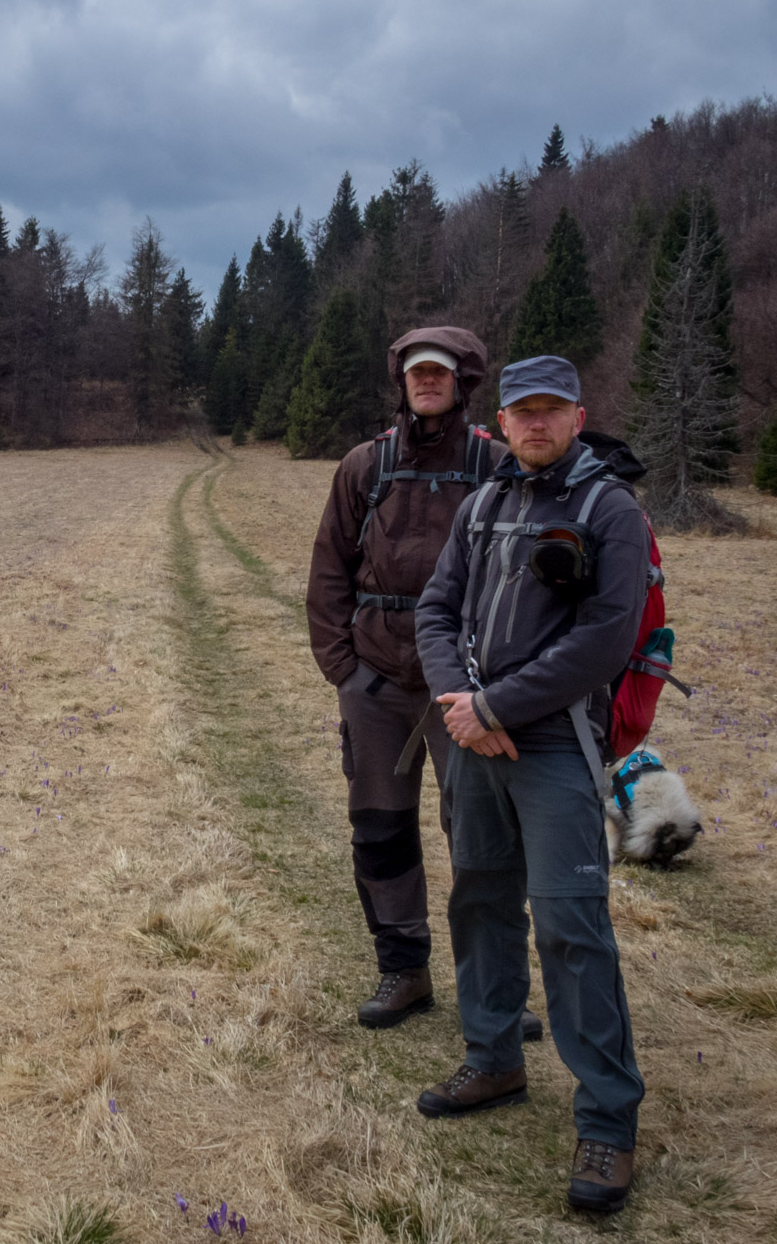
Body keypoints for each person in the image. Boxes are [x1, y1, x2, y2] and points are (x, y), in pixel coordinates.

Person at [412, 354, 650, 1213]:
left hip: (555, 749)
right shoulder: (483, 506)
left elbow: (604, 639)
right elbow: (436, 611)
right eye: (523, 412)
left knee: (570, 926)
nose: (536, 424)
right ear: (502, 423)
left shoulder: (610, 511)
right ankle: (494, 1057)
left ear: (579, 417)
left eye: (552, 410)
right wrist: (462, 704)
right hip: (475, 739)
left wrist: (497, 708)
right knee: (478, 899)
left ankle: (609, 1124)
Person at [308, 327, 543, 1036]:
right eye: (416, 371)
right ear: (401, 381)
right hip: (376, 682)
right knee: (379, 831)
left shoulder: (498, 467)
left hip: (467, 692)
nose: (427, 380)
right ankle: (403, 969)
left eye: (439, 371)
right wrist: (346, 673)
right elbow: (327, 574)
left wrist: (499, 687)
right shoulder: (363, 467)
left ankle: (497, 989)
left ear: (462, 381)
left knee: (482, 840)